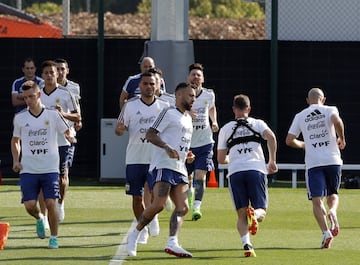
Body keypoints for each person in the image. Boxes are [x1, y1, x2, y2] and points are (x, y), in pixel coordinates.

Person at [126, 82, 196, 258]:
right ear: (179, 95)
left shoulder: (188, 118)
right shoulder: (168, 112)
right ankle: (134, 234)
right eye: (190, 95)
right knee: (158, 204)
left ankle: (172, 242)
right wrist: (167, 148)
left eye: (194, 96)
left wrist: (186, 154)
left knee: (183, 207)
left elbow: (180, 143)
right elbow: (150, 134)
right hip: (163, 165)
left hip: (179, 168)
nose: (193, 99)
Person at [11, 80, 76, 249]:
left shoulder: (52, 114)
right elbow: (15, 140)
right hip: (28, 169)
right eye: (25, 98)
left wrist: (70, 136)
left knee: (51, 202)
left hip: (50, 168)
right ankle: (40, 218)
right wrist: (16, 160)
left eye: (31, 96)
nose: (28, 101)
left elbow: (66, 130)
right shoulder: (20, 118)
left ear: (38, 95)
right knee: (30, 205)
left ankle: (54, 238)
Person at [217, 94, 277, 257]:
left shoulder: (226, 128)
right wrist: (272, 160)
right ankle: (255, 215)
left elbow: (221, 159)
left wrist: (234, 157)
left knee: (241, 213)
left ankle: (247, 245)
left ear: (233, 109)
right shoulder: (257, 123)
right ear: (248, 109)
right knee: (261, 211)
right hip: (255, 169)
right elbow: (271, 137)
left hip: (236, 172)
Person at [286, 87, 345, 249]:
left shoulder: (300, 116)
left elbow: (289, 140)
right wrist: (341, 138)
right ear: (323, 99)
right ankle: (332, 210)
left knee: (316, 200)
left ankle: (326, 232)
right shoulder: (330, 109)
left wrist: (303, 144)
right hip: (333, 160)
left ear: (307, 100)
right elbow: (337, 121)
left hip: (314, 163)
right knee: (333, 193)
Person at [115, 72, 170, 244]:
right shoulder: (130, 105)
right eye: (145, 83)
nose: (149, 87)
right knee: (137, 197)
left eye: (152, 84)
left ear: (158, 85)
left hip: (156, 158)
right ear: (139, 86)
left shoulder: (165, 106)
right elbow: (118, 130)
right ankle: (142, 227)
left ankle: (152, 218)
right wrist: (120, 129)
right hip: (135, 158)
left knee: (155, 195)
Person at [40, 60, 81, 223]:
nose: (49, 75)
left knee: (61, 176)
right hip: (42, 142)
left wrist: (63, 114)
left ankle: (60, 204)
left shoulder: (66, 93)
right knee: (43, 177)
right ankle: (43, 216)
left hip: (63, 140)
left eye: (52, 72)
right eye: (46, 73)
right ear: (42, 76)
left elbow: (77, 116)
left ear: (57, 74)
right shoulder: (38, 94)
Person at [186, 63, 219, 220]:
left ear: (203, 79)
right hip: (186, 143)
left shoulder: (209, 95)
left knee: (201, 176)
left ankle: (197, 208)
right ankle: (189, 195)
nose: (196, 77)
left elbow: (212, 108)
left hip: (205, 142)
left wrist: (214, 121)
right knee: (187, 178)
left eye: (198, 75)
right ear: (188, 77)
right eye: (193, 74)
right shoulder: (182, 95)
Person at [54, 58, 82, 131]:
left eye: (62, 69)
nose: (60, 72)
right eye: (57, 69)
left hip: (68, 125)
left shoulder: (74, 87)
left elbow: (77, 104)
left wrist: (78, 121)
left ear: (67, 70)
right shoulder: (45, 86)